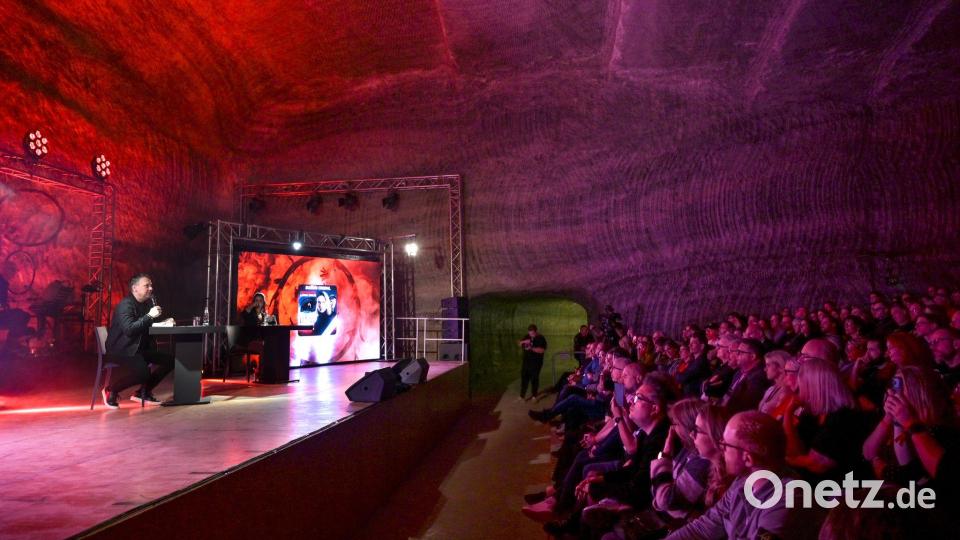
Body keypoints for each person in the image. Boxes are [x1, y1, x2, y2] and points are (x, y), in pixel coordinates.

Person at [666, 411, 819, 539]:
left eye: (725, 445)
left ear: (748, 459)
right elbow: (703, 527)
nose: (721, 449)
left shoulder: (788, 501)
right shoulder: (742, 482)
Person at [101, 273, 176, 408]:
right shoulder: (125, 305)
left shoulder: (145, 304)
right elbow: (129, 329)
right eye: (147, 286)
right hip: (122, 349)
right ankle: (111, 390)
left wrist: (164, 322)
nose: (151, 288)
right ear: (135, 288)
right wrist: (149, 316)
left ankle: (143, 392)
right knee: (143, 374)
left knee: (171, 360)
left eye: (151, 285)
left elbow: (145, 324)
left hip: (137, 348)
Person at [518, 324, 547, 400]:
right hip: (526, 362)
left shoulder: (541, 338)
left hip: (536, 363)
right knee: (524, 378)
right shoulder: (526, 336)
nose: (531, 335)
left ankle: (534, 395)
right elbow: (520, 344)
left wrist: (531, 348)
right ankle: (522, 396)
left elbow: (542, 350)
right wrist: (523, 342)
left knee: (534, 379)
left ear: (536, 332)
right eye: (530, 333)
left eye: (533, 333)